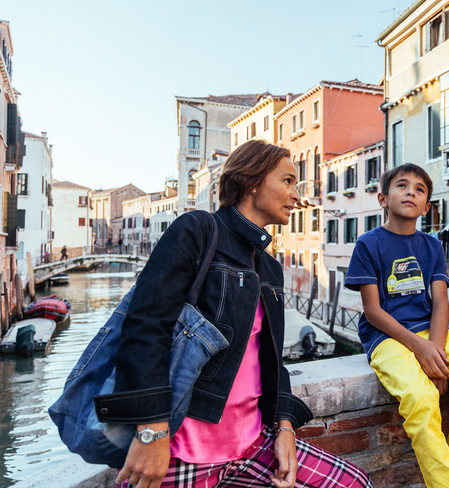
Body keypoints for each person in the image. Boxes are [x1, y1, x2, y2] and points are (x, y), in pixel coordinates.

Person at [98, 139, 371, 488]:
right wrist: (151, 430)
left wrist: (284, 426)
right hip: (180, 451)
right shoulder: (195, 231)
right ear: (252, 182)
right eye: (288, 181)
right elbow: (145, 328)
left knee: (355, 483)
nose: (297, 195)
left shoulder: (270, 267)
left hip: (253, 446)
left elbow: (271, 360)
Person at [345, 163, 449, 488]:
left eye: (419, 188)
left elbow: (441, 302)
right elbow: (372, 311)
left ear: (427, 206)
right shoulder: (368, 244)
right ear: (383, 198)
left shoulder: (431, 246)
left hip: (432, 332)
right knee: (421, 397)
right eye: (402, 185)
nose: (411, 191)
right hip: (386, 337)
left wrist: (435, 352)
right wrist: (420, 348)